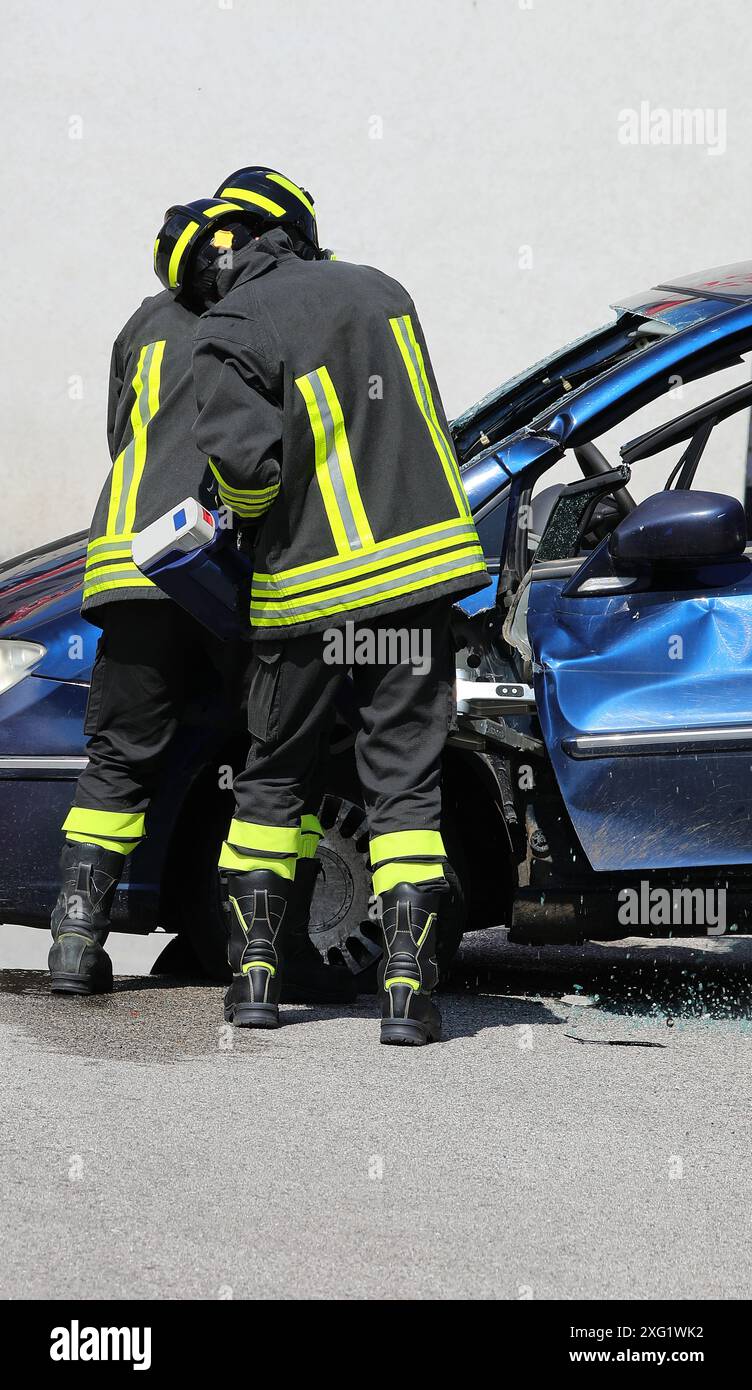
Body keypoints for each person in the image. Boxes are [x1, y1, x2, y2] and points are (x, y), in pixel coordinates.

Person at [192, 175, 489, 1044]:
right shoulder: (385, 292)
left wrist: (238, 521)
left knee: (274, 777)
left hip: (312, 597)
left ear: (236, 246)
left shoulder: (235, 324)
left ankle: (254, 984)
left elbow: (247, 474)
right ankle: (406, 993)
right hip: (417, 585)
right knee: (404, 786)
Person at [50, 178, 355, 1009]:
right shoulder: (267, 319)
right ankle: (271, 950)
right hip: (225, 573)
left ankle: (76, 940)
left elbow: (124, 437)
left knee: (118, 758)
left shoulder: (142, 326)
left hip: (126, 566)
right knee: (276, 757)